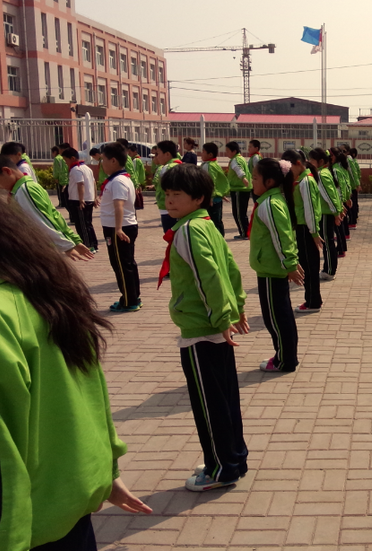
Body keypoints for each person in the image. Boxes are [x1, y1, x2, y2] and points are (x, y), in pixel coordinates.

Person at [0, 190, 151, 550]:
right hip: (68, 504)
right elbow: (90, 390)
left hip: (26, 525)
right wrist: (106, 470)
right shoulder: (36, 289)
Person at [158, 163, 249, 492]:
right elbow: (230, 268)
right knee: (224, 400)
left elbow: (207, 276)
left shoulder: (188, 230)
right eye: (167, 194)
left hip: (202, 328)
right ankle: (232, 458)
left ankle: (222, 469)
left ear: (198, 198)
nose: (169, 201)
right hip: (215, 324)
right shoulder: (204, 224)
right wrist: (235, 309)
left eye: (177, 195)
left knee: (209, 405)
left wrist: (224, 317)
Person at [250, 158, 304, 372]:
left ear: (270, 181)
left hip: (273, 270)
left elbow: (282, 238)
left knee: (276, 318)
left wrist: (290, 265)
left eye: (255, 178)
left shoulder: (270, 205)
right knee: (280, 316)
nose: (251, 183)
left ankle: (285, 360)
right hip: (269, 268)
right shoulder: (272, 201)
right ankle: (285, 355)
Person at [0, 154, 93, 262]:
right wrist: (73, 240)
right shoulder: (26, 187)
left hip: (38, 248)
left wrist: (67, 245)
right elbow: (54, 215)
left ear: (7, 171)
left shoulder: (24, 191)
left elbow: (41, 221)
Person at [99, 143, 142, 313]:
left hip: (120, 229)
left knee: (121, 265)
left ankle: (129, 300)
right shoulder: (120, 179)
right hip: (122, 227)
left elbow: (119, 206)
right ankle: (132, 296)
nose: (102, 164)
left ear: (113, 161)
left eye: (104, 160)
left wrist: (117, 229)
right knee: (126, 263)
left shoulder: (118, 181)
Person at [283, 149, 323, 313]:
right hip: (304, 228)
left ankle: (312, 302)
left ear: (298, 164)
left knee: (309, 267)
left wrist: (314, 233)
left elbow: (310, 210)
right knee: (309, 266)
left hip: (306, 229)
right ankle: (313, 299)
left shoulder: (306, 182)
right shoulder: (302, 179)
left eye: (289, 167)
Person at [309, 148, 342, 280]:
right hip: (327, 212)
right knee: (328, 242)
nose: (309, 162)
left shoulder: (321, 175)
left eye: (312, 160)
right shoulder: (325, 173)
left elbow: (329, 196)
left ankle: (329, 270)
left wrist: (335, 212)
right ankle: (329, 269)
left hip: (325, 213)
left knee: (327, 243)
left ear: (321, 161)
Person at [63, 147, 99, 253]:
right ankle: (93, 244)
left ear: (73, 158)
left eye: (66, 160)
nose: (66, 163)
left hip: (78, 200)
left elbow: (80, 184)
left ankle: (88, 246)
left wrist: (81, 199)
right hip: (88, 199)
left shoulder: (76, 169)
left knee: (82, 225)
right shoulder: (87, 168)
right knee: (88, 223)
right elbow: (93, 183)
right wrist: (94, 197)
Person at [154, 140, 184, 233]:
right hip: (179, 208)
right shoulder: (180, 165)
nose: (157, 157)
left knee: (172, 238)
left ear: (167, 154)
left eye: (158, 153)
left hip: (168, 209)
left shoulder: (167, 168)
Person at [200, 142, 229, 236]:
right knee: (218, 221)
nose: (201, 153)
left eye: (203, 151)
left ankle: (217, 240)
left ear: (210, 154)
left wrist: (210, 197)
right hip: (217, 198)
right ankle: (221, 240)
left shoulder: (208, 165)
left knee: (212, 222)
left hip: (211, 199)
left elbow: (211, 181)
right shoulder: (215, 164)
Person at [226, 141, 252, 240]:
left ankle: (244, 233)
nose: (226, 153)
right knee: (242, 212)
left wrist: (243, 179)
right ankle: (245, 232)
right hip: (243, 189)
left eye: (228, 151)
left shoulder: (235, 160)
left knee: (238, 213)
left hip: (239, 189)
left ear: (234, 151)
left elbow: (238, 170)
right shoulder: (240, 158)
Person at [347, 148, 362, 227]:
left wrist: (357, 184)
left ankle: (353, 221)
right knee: (354, 203)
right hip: (352, 186)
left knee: (352, 204)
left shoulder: (350, 161)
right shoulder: (352, 161)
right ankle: (354, 218)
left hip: (352, 186)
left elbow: (355, 173)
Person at [52, 144, 69, 210]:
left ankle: (61, 203)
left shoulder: (57, 159)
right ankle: (65, 203)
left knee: (60, 192)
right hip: (66, 177)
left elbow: (56, 169)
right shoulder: (64, 157)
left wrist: (55, 177)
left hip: (60, 178)